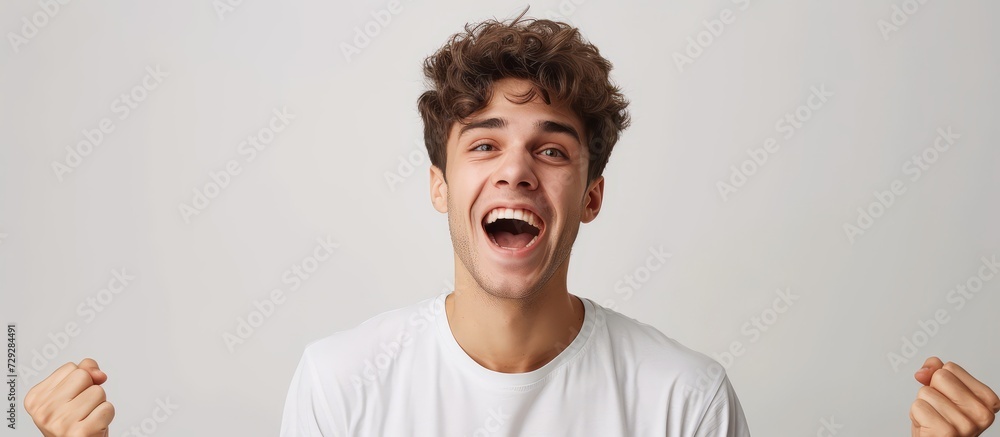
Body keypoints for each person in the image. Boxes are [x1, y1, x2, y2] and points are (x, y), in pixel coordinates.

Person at [24, 8, 1000, 437]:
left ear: (591, 193)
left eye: (552, 147)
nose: (518, 170)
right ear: (442, 187)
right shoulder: (341, 382)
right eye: (483, 144)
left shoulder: (680, 398)